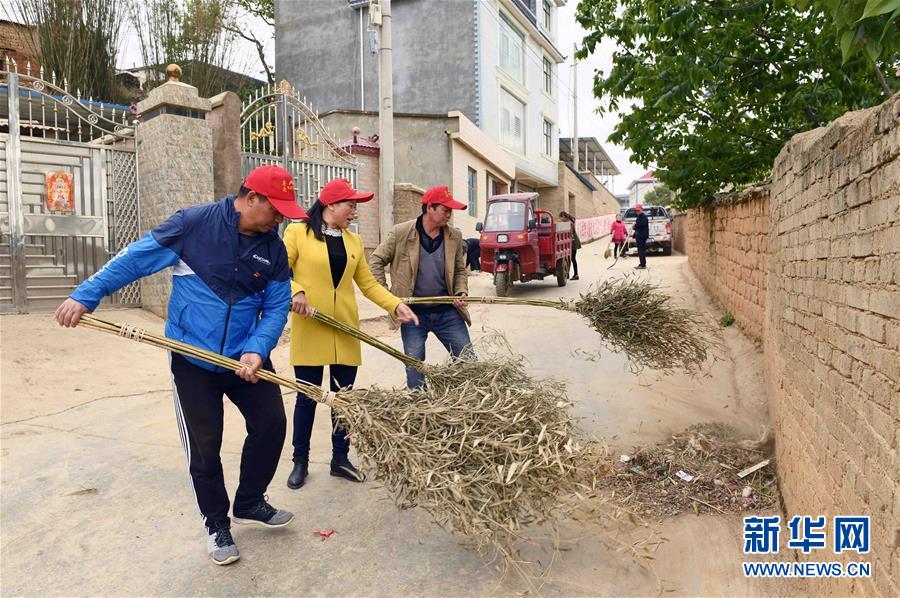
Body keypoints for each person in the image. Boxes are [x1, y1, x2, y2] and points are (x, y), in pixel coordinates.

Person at [53, 165, 304, 566]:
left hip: (246, 359)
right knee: (205, 446)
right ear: (252, 198)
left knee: (272, 425)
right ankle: (216, 523)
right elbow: (134, 260)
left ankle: (251, 500)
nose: (280, 219)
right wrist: (86, 295)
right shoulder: (193, 225)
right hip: (193, 359)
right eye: (276, 209)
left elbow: (275, 306)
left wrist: (257, 350)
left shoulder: (272, 247)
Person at [283, 178, 418, 489]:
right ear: (330, 205)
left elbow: (368, 284)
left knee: (343, 399)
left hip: (344, 327)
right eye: (350, 204)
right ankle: (300, 461)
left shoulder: (353, 241)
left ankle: (340, 459)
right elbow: (280, 271)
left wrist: (395, 305)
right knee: (308, 397)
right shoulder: (297, 232)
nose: (354, 211)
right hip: (310, 325)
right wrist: (297, 291)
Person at [370, 186, 472, 389]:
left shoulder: (454, 236)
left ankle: (467, 404)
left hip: (448, 312)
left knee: (468, 362)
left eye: (451, 211)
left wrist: (461, 292)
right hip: (413, 314)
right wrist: (389, 299)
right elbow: (376, 261)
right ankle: (419, 409)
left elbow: (460, 270)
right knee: (414, 367)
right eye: (446, 210)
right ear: (429, 208)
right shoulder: (401, 233)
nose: (450, 215)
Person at [559, 211, 581, 280]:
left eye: (560, 218)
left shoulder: (569, 223)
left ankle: (576, 275)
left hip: (574, 242)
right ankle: (567, 274)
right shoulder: (568, 222)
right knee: (570, 258)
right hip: (572, 242)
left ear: (563, 216)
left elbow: (570, 234)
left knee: (573, 259)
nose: (560, 219)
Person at [632, 204, 649, 269]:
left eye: (638, 210)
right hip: (639, 235)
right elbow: (638, 227)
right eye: (636, 210)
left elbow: (642, 225)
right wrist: (634, 228)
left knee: (641, 250)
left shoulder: (644, 217)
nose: (637, 212)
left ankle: (643, 265)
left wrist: (635, 225)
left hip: (642, 236)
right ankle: (642, 263)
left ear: (642, 210)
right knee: (640, 250)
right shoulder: (639, 217)